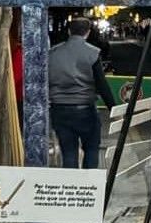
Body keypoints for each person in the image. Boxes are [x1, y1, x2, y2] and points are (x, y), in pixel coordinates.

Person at [48, 18, 116, 169]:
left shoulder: (52, 53)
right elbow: (101, 84)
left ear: (69, 31)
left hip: (59, 110)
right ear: (88, 32)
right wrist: (113, 109)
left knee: (69, 153)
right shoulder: (92, 53)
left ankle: (72, 188)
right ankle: (89, 187)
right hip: (85, 110)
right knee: (91, 149)